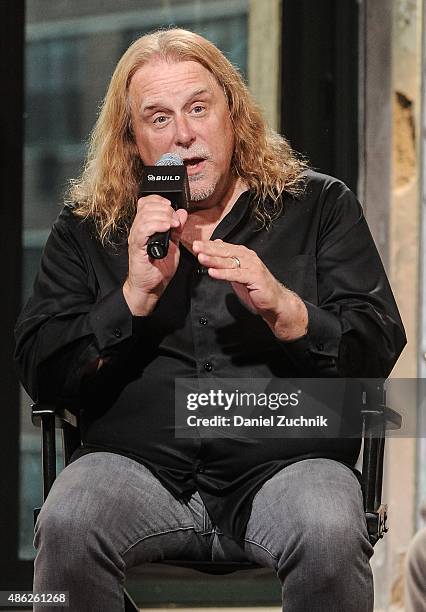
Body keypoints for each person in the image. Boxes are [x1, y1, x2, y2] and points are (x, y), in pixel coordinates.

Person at [15, 28, 406, 612]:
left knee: (328, 524)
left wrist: (286, 308)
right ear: (133, 141)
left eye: (198, 108)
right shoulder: (88, 227)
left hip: (287, 465)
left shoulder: (319, 206)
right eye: (158, 118)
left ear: (233, 113)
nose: (184, 135)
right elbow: (40, 369)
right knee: (70, 520)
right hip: (135, 467)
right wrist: (131, 298)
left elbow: (378, 343)